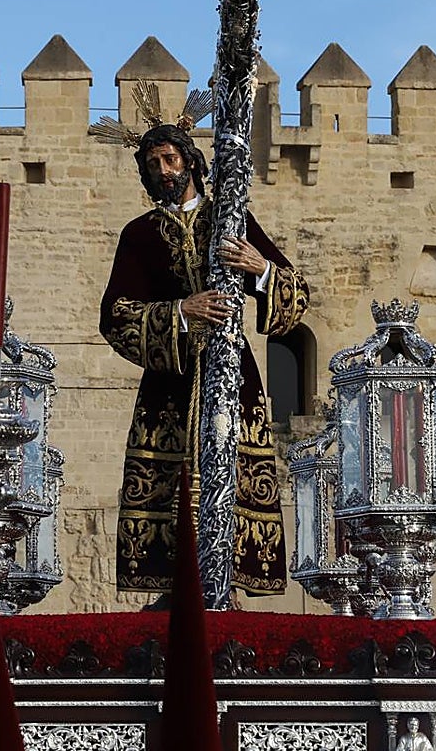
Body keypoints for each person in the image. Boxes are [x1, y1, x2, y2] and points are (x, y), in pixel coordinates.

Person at [99, 122, 309, 602]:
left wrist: (262, 269)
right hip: (169, 384)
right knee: (170, 482)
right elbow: (115, 317)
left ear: (192, 161)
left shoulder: (229, 218)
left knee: (230, 473)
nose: (164, 171)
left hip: (233, 376)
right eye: (153, 165)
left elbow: (297, 293)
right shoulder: (140, 235)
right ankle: (174, 589)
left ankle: (228, 584)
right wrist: (179, 312)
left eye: (171, 160)